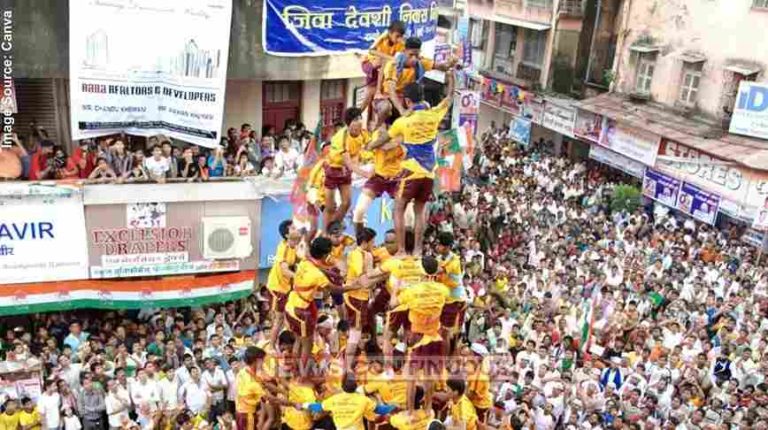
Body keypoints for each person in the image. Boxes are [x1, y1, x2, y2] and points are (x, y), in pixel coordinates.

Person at [367, 71, 455, 256]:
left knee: (398, 209)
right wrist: (452, 77)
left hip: (411, 171)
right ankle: (417, 249)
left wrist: (369, 146)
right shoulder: (434, 115)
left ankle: (400, 250)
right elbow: (449, 97)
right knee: (419, 211)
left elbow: (383, 140)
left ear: (407, 101)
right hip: (430, 172)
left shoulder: (403, 122)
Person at [324, 107, 370, 232]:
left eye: (360, 118)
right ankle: (327, 231)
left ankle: (333, 228)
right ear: (349, 123)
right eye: (356, 119)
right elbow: (348, 163)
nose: (359, 121)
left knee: (347, 203)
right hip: (332, 170)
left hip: (346, 172)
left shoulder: (364, 133)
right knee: (330, 207)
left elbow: (371, 148)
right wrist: (365, 174)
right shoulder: (341, 138)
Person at [266, 220, 300, 347]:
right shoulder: (283, 248)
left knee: (289, 317)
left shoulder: (295, 246)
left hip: (286, 288)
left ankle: (288, 343)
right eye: (293, 228)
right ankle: (271, 346)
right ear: (287, 235)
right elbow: (285, 271)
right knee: (279, 319)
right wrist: (300, 278)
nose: (296, 229)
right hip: (277, 287)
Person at [360, 21, 406, 111]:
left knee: (370, 92)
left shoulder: (401, 43)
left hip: (382, 68)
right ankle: (377, 91)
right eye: (397, 36)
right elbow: (371, 50)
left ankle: (358, 112)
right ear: (390, 33)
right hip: (369, 63)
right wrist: (390, 58)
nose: (398, 39)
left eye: (400, 37)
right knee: (384, 62)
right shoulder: (383, 38)